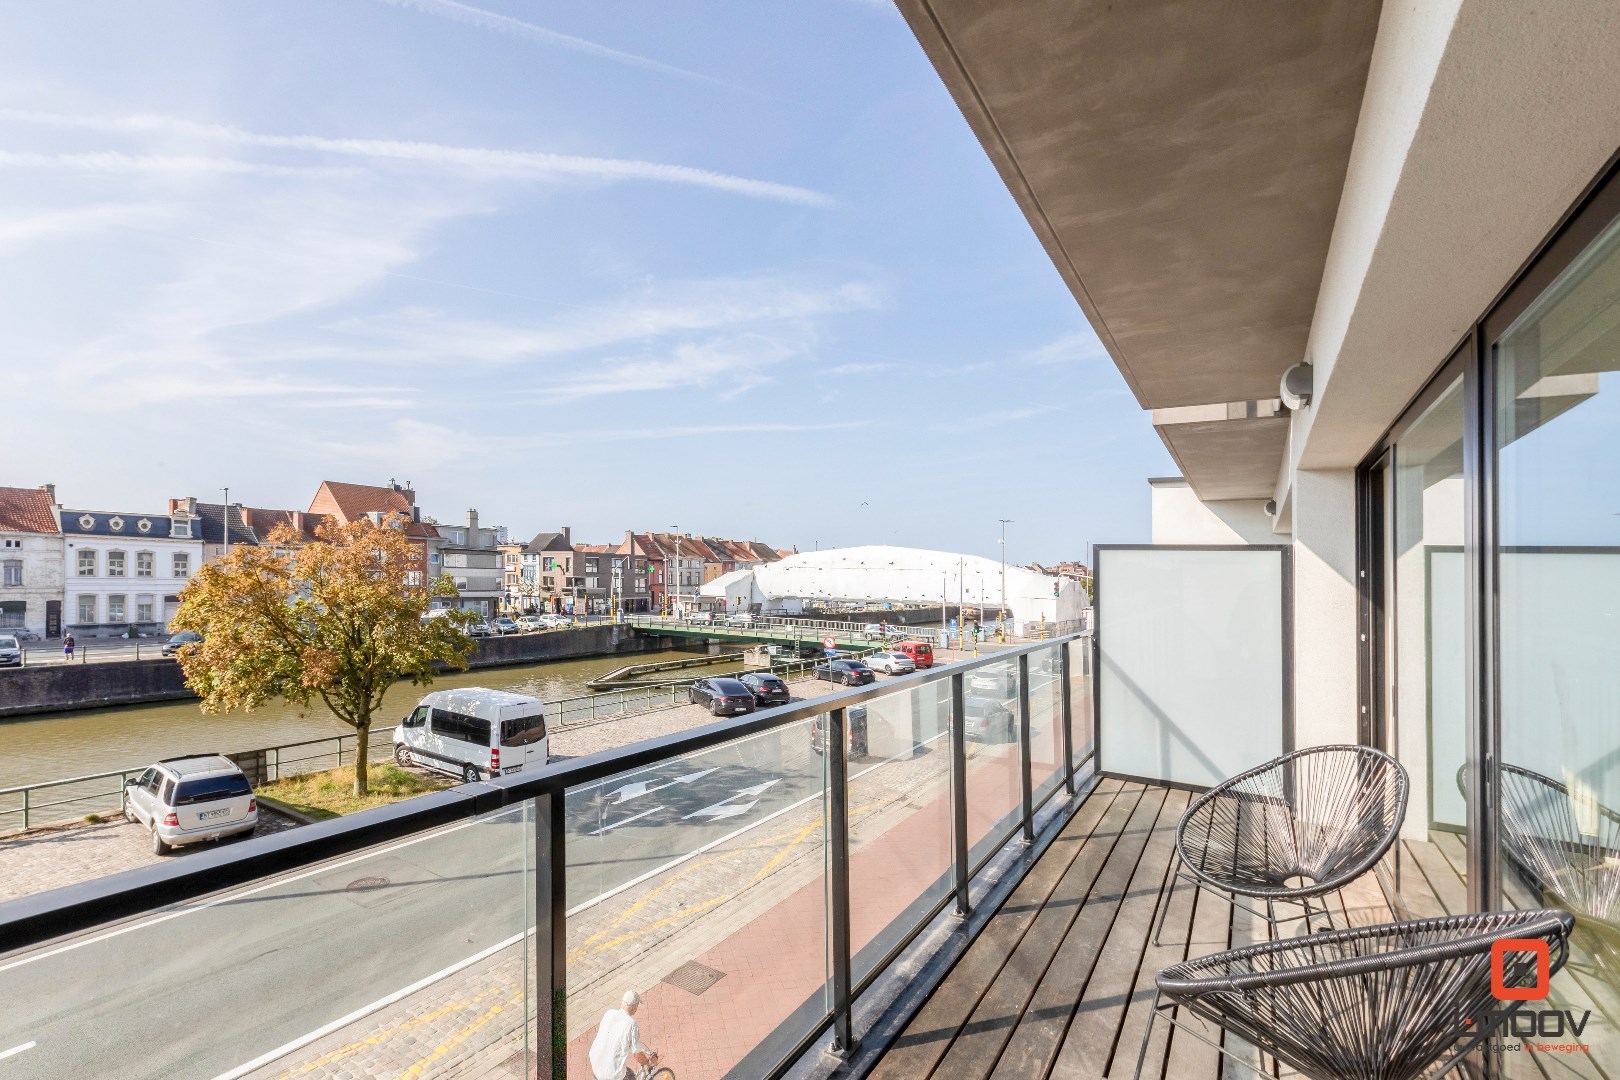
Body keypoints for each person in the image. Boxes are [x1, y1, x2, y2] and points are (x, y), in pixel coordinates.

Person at [589, 989, 655, 1080]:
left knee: (626, 1071)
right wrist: (648, 1062)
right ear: (634, 1008)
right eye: (637, 1007)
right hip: (612, 1075)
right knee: (630, 1076)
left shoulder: (609, 1013)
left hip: (596, 1064)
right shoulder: (631, 1024)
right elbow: (637, 1053)